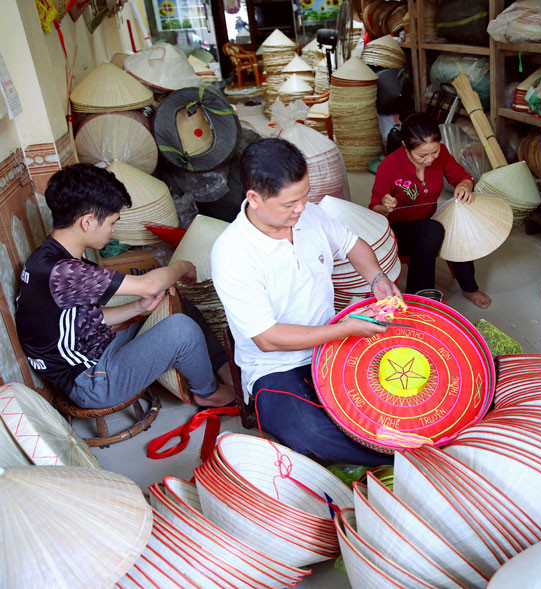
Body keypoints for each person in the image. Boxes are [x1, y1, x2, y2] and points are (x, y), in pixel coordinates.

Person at [211, 138, 401, 466]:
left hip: (332, 344)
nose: (301, 208)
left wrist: (377, 279)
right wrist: (344, 331)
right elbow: (268, 339)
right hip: (276, 369)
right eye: (289, 203)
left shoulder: (310, 216)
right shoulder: (232, 254)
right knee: (309, 434)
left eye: (304, 196)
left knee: (405, 384)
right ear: (254, 199)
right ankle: (402, 461)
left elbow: (354, 245)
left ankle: (405, 445)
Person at [15, 164, 236, 409]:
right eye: (112, 223)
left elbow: (81, 321)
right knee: (181, 330)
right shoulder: (63, 272)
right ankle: (208, 392)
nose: (113, 231)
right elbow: (149, 284)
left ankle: (226, 370)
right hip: (92, 381)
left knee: (183, 307)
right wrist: (183, 266)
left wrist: (139, 307)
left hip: (99, 351)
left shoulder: (51, 259)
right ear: (88, 222)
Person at [370, 112, 492, 309]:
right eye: (422, 155)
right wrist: (384, 206)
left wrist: (464, 187)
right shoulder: (389, 166)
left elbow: (463, 177)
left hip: (430, 221)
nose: (430, 159)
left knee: (453, 225)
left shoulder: (441, 153)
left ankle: (469, 287)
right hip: (398, 231)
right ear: (405, 147)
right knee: (432, 231)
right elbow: (374, 211)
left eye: (434, 152)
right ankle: (420, 300)